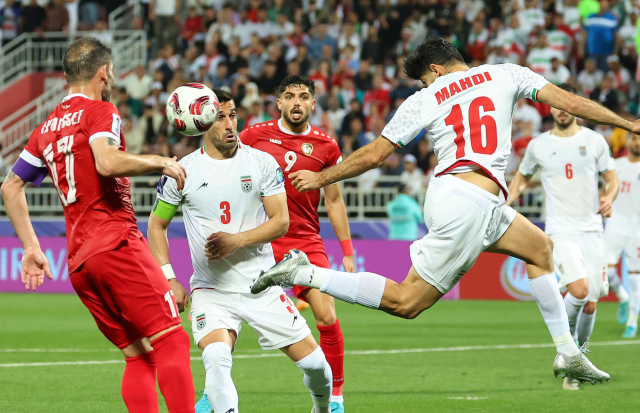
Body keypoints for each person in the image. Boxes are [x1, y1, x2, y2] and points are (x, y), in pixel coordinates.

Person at [251, 36, 640, 385]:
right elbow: (573, 102)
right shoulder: (507, 72)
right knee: (406, 302)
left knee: (540, 248)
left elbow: (374, 154)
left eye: (424, 78)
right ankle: (305, 272)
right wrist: (627, 124)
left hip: (467, 199)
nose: (425, 85)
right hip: (466, 200)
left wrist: (322, 177)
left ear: (435, 69)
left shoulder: (425, 98)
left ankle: (568, 353)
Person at [0, 37, 195, 413]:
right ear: (103, 73)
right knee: (172, 341)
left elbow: (10, 187)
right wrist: (160, 160)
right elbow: (106, 162)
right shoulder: (101, 112)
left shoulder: (46, 128)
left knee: (139, 356)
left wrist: (31, 247)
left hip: (79, 263)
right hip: (115, 243)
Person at [147, 89, 333, 413]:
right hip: (211, 290)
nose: (230, 124)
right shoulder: (182, 172)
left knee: (318, 369)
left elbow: (281, 222)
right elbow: (155, 226)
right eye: (220, 117)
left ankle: (322, 407)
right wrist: (169, 278)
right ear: (203, 122)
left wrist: (236, 240)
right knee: (217, 363)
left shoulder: (261, 163)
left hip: (261, 286)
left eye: (232, 115)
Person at [240, 75, 353, 413]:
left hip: (305, 240)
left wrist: (347, 250)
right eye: (289, 96)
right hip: (262, 239)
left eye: (304, 97)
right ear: (278, 102)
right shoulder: (253, 136)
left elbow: (333, 201)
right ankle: (212, 389)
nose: (296, 103)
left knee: (327, 314)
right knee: (229, 311)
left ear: (313, 103)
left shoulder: (326, 146)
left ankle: (335, 396)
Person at [507, 83, 618, 390]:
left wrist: (609, 197)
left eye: (568, 105)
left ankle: (576, 361)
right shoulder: (538, 145)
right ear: (550, 108)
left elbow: (612, 179)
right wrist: (507, 201)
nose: (561, 110)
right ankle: (566, 351)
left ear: (576, 107)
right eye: (556, 105)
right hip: (560, 230)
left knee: (592, 304)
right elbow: (521, 179)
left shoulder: (594, 141)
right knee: (579, 291)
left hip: (593, 231)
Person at [604, 132, 640, 338]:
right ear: (627, 141)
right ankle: (622, 296)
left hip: (637, 229)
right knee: (606, 275)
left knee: (636, 279)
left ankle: (632, 321)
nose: (637, 142)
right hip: (615, 224)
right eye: (634, 138)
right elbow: (605, 190)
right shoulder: (615, 165)